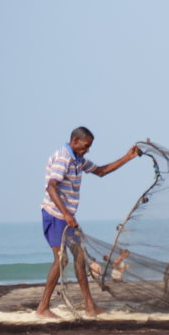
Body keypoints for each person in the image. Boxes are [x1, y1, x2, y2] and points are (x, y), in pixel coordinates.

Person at [36, 128, 141, 318]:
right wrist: (66, 214)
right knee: (62, 260)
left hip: (66, 217)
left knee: (80, 258)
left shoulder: (78, 159)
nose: (88, 150)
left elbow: (100, 171)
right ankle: (43, 308)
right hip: (55, 215)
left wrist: (128, 157)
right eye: (86, 146)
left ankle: (90, 306)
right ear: (75, 140)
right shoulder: (63, 158)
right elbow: (51, 187)